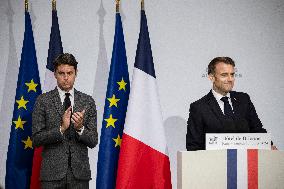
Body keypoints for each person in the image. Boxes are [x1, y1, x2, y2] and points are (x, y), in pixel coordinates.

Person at [32, 53, 98, 188]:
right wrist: (61, 128)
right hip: (51, 175)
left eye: (70, 73)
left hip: (79, 176)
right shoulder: (43, 101)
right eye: (61, 73)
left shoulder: (87, 101)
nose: (66, 78)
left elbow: (93, 141)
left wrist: (80, 128)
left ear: (76, 73)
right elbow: (36, 139)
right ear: (55, 74)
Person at [186, 57, 276, 151]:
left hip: (246, 163)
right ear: (211, 77)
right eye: (224, 75)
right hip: (214, 163)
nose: (230, 79)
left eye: (232, 75)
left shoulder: (244, 99)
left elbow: (257, 130)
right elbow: (193, 147)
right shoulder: (199, 107)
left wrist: (269, 145)